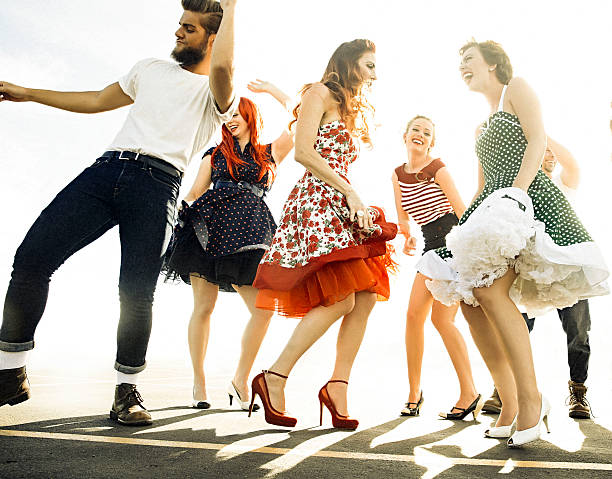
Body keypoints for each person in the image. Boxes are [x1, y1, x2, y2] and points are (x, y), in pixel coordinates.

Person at [0, 0, 238, 426]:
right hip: (106, 170)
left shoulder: (216, 95)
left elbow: (222, 70)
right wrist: (29, 93)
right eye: (179, 25)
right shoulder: (149, 68)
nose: (178, 32)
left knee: (135, 291)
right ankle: (9, 371)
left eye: (189, 28)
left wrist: (232, 4)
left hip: (158, 185)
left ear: (212, 38)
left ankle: (125, 391)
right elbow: (96, 99)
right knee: (32, 258)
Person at [417, 40, 608, 447]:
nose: (463, 66)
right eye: (460, 61)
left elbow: (538, 142)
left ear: (493, 63)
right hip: (490, 204)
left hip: (526, 199)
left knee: (490, 292)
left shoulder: (516, 88)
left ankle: (530, 402)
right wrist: (469, 224)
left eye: (468, 59)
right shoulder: (481, 127)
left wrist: (514, 198)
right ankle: (511, 401)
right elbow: (484, 181)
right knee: (469, 300)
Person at [250, 39, 397, 429]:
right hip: (318, 200)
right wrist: (350, 191)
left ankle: (338, 386)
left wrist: (272, 91)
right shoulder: (321, 92)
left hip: (343, 200)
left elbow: (293, 110)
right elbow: (302, 151)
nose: (374, 75)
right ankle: (274, 376)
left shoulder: (342, 104)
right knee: (340, 299)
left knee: (365, 297)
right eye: (369, 65)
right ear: (349, 63)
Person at [163, 81, 294, 409]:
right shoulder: (215, 154)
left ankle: (240, 377)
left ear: (250, 116)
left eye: (237, 113)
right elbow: (195, 191)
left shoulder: (270, 153)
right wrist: (180, 209)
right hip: (208, 229)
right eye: (227, 116)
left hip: (251, 234)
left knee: (263, 309)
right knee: (203, 307)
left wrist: (272, 91)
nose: (231, 119)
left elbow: (300, 116)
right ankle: (199, 381)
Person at [483, 139, 593, 419]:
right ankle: (505, 390)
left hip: (566, 267)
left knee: (578, 332)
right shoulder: (521, 185)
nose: (550, 156)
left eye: (551, 152)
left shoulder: (562, 184)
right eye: (543, 150)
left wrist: (542, 135)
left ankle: (578, 392)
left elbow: (572, 163)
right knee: (515, 328)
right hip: (530, 268)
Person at [392, 115, 480, 419]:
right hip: (430, 246)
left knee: (425, 317)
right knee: (430, 320)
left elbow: (462, 211)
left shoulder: (437, 168)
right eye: (415, 129)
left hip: (452, 244)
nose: (420, 134)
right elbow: (404, 217)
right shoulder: (397, 175)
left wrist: (469, 255)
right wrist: (405, 237)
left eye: (426, 133)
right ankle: (418, 392)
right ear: (404, 135)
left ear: (432, 142)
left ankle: (465, 392)